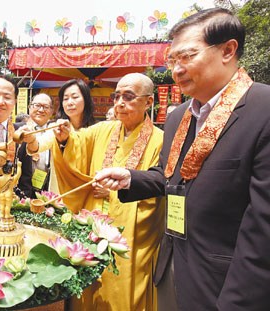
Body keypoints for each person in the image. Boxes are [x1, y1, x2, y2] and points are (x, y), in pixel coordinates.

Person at [93, 8, 270, 311]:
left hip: (223, 285)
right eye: (172, 60)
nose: (176, 69)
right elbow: (172, 176)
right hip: (171, 269)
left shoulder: (262, 110)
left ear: (228, 50)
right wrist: (132, 177)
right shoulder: (179, 117)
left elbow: (263, 232)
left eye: (187, 57)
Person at [51, 73, 164, 311]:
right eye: (117, 96)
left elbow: (158, 187)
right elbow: (77, 144)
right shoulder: (104, 129)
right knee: (89, 285)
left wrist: (114, 192)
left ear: (149, 102)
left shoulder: (161, 140)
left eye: (129, 97)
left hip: (133, 232)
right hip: (93, 223)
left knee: (124, 290)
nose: (120, 102)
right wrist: (64, 139)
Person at [26, 93, 55, 193]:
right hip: (24, 188)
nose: (41, 110)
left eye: (46, 107)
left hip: (49, 188)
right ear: (30, 107)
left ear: (51, 111)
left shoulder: (55, 131)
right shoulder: (21, 130)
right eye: (37, 106)